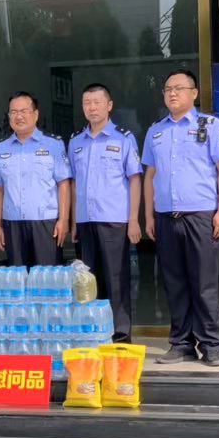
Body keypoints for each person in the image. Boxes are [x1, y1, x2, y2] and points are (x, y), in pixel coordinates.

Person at [141, 69, 219, 367]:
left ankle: (211, 345)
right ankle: (181, 344)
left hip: (201, 216)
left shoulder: (211, 125)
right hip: (166, 217)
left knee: (204, 283)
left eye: (179, 88)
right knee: (175, 283)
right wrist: (148, 215)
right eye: (168, 89)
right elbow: (149, 175)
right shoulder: (155, 132)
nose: (172, 93)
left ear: (194, 93)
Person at [68, 83, 142, 343]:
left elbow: (135, 179)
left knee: (116, 279)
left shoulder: (123, 138)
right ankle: (95, 335)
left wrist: (133, 220)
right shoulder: (76, 141)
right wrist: (74, 221)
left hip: (114, 220)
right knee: (89, 280)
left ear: (109, 105)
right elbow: (74, 184)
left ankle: (120, 337)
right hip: (85, 220)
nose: (92, 108)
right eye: (87, 103)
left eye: (97, 102)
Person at [0, 92, 71, 267]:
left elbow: (64, 184)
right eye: (13, 112)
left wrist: (63, 220)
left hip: (46, 224)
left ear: (35, 114)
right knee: (18, 278)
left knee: (47, 278)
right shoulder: (0, 148)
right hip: (12, 225)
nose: (18, 116)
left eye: (24, 111)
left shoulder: (53, 145)